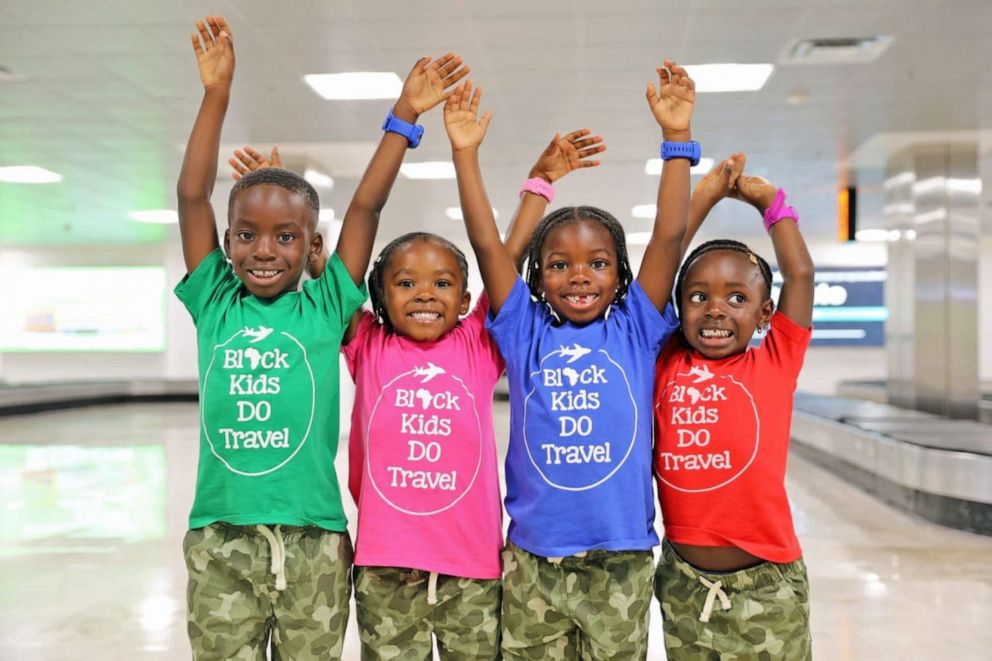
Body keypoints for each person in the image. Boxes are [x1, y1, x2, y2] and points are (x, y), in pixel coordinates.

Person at [175, 14, 466, 657]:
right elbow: (192, 194)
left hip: (315, 539)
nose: (263, 250)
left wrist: (403, 116)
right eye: (246, 234)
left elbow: (365, 207)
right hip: (220, 536)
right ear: (226, 245)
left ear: (314, 248)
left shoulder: (326, 307)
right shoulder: (215, 304)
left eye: (286, 237)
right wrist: (217, 95)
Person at [444, 62, 695, 659]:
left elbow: (667, 237)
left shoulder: (635, 328)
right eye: (559, 264)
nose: (579, 275)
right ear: (538, 276)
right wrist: (466, 157)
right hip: (534, 558)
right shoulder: (524, 330)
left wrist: (678, 142)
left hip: (621, 558)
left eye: (598, 264)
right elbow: (486, 245)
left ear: (620, 276)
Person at [343, 128, 603, 661]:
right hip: (385, 571)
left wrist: (540, 184)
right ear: (380, 298)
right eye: (405, 283)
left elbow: (501, 253)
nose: (423, 293)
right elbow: (357, 230)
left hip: (474, 573)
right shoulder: (365, 343)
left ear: (464, 300)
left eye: (441, 284)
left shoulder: (479, 344)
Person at [652, 155, 815, 660]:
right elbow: (663, 259)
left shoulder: (775, 361)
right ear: (678, 308)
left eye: (737, 297)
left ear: (765, 312)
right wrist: (703, 197)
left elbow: (801, 273)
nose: (716, 308)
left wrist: (772, 206)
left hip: (768, 585)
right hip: (683, 583)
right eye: (698, 296)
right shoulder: (663, 358)